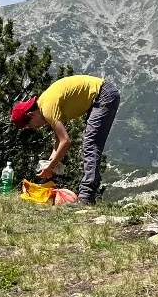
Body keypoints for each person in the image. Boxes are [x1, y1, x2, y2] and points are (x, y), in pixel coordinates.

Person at [10, 74, 120, 205]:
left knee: (91, 144)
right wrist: (51, 162)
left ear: (31, 115)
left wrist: (50, 168)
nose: (33, 128)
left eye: (29, 125)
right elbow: (58, 142)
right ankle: (87, 195)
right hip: (100, 95)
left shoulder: (48, 109)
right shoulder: (45, 104)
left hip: (103, 94)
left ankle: (86, 197)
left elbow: (66, 141)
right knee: (91, 144)